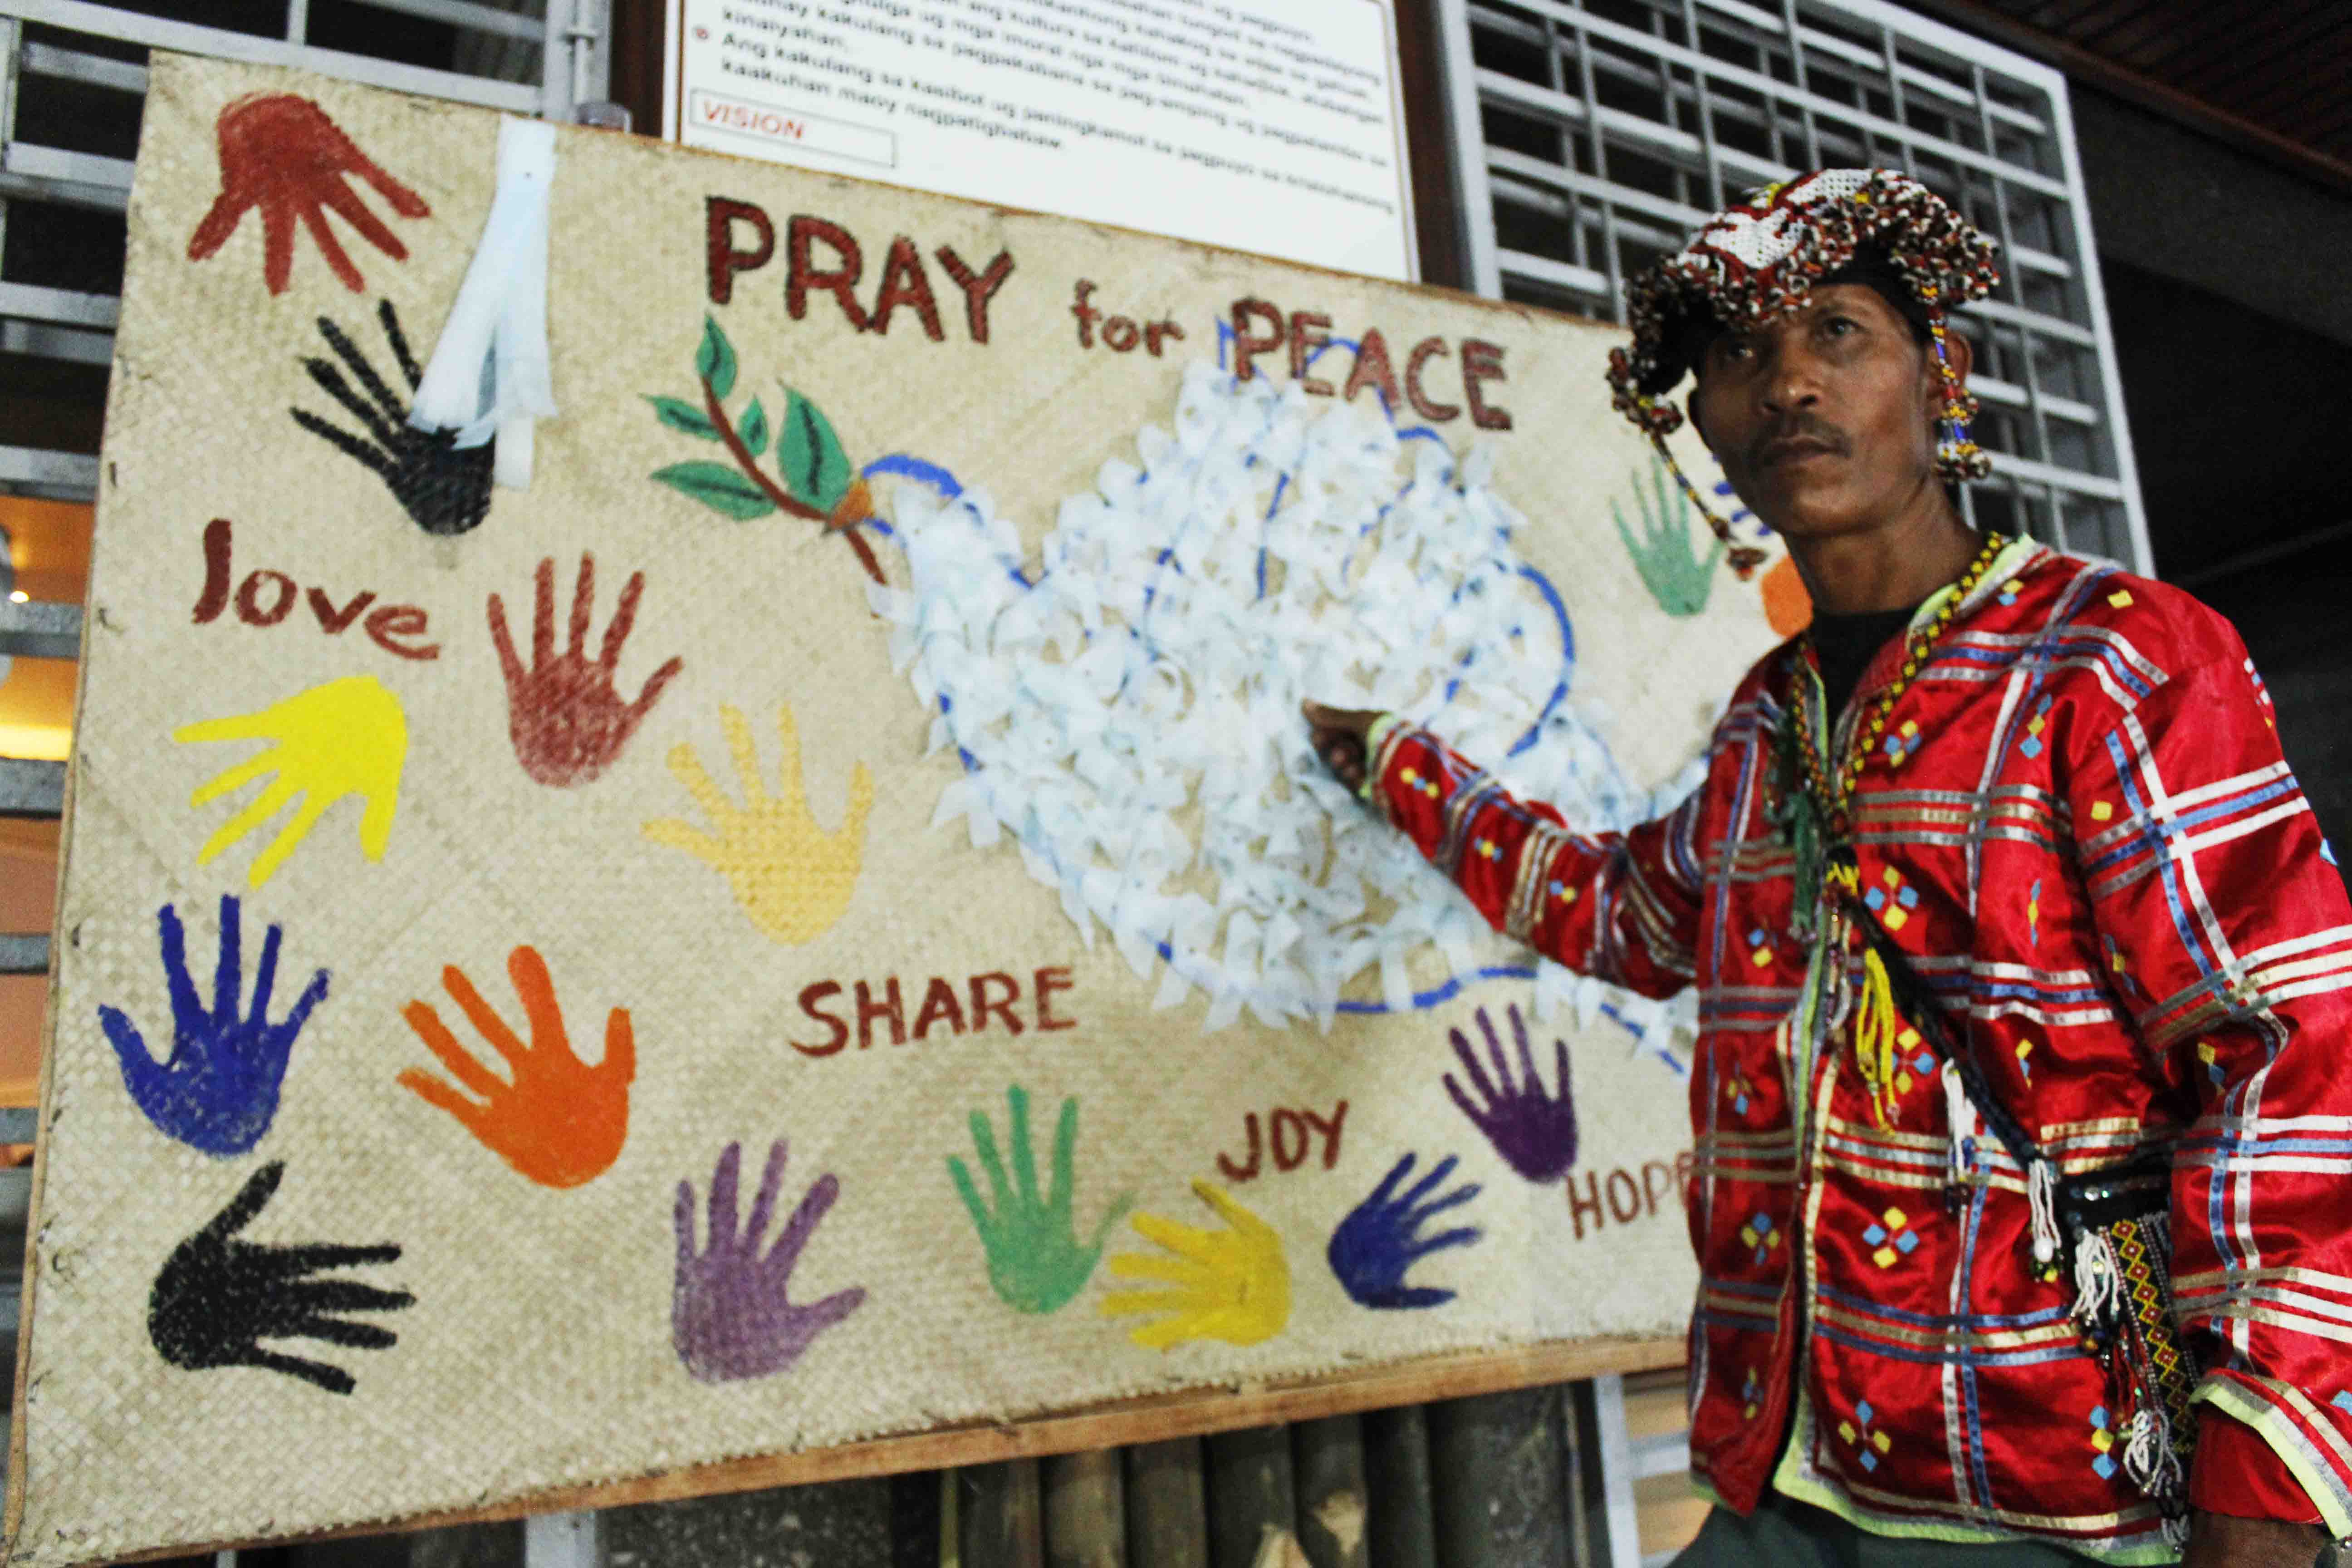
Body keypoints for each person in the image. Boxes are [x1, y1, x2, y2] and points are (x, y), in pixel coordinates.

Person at [1305, 169, 2352, 1568]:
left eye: (1840, 334)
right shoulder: (1766, 720)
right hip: (1790, 1468)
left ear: (1942, 377)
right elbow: (1628, 916)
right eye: (1742, 355)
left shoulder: (2113, 659)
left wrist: (2267, 1485)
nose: (1789, 383)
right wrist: (1396, 767)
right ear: (1710, 423)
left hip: (2059, 1489)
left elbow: (2295, 1060)